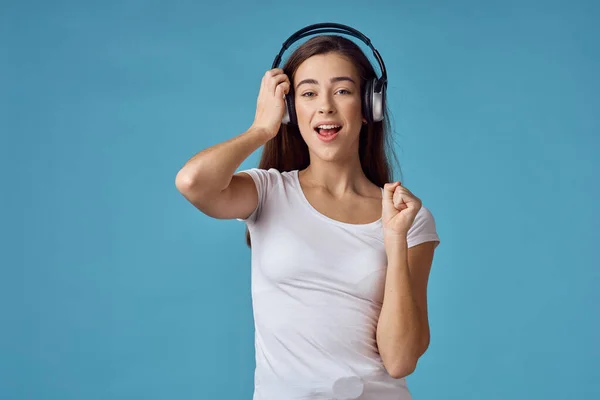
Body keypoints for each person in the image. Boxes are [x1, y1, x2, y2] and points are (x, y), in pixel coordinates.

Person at [175, 23, 440, 400]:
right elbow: (191, 182)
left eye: (343, 90)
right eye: (308, 92)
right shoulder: (268, 192)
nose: (325, 106)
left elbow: (399, 360)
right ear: (290, 110)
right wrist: (260, 129)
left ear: (369, 107)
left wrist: (394, 239)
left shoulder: (405, 216)